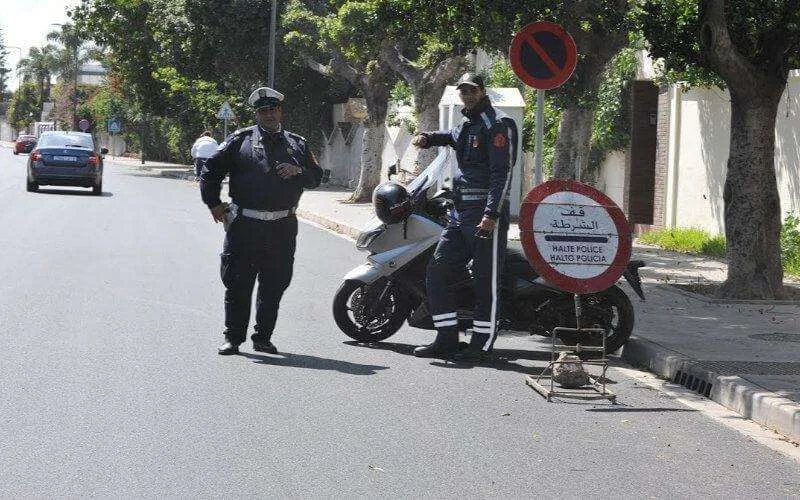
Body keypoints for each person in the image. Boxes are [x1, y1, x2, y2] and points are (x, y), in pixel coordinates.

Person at [200, 87, 324, 355]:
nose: (269, 115)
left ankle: (263, 338)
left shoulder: (297, 144)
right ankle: (233, 338)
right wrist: (213, 203)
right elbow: (210, 170)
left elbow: (316, 177)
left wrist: (298, 170)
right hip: (245, 225)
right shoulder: (239, 141)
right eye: (263, 111)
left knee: (274, 285)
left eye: (273, 109)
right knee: (238, 283)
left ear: (281, 111)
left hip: (282, 226)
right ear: (256, 113)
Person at [411, 72, 513, 361]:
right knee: (437, 271)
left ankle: (480, 345)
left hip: (483, 215)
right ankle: (446, 338)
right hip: (459, 215)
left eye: (472, 90)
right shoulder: (467, 125)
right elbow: (452, 137)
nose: (467, 95)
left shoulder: (496, 125)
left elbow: (501, 174)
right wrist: (428, 138)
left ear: (482, 91)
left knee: (484, 280)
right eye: (463, 91)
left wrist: (491, 213)